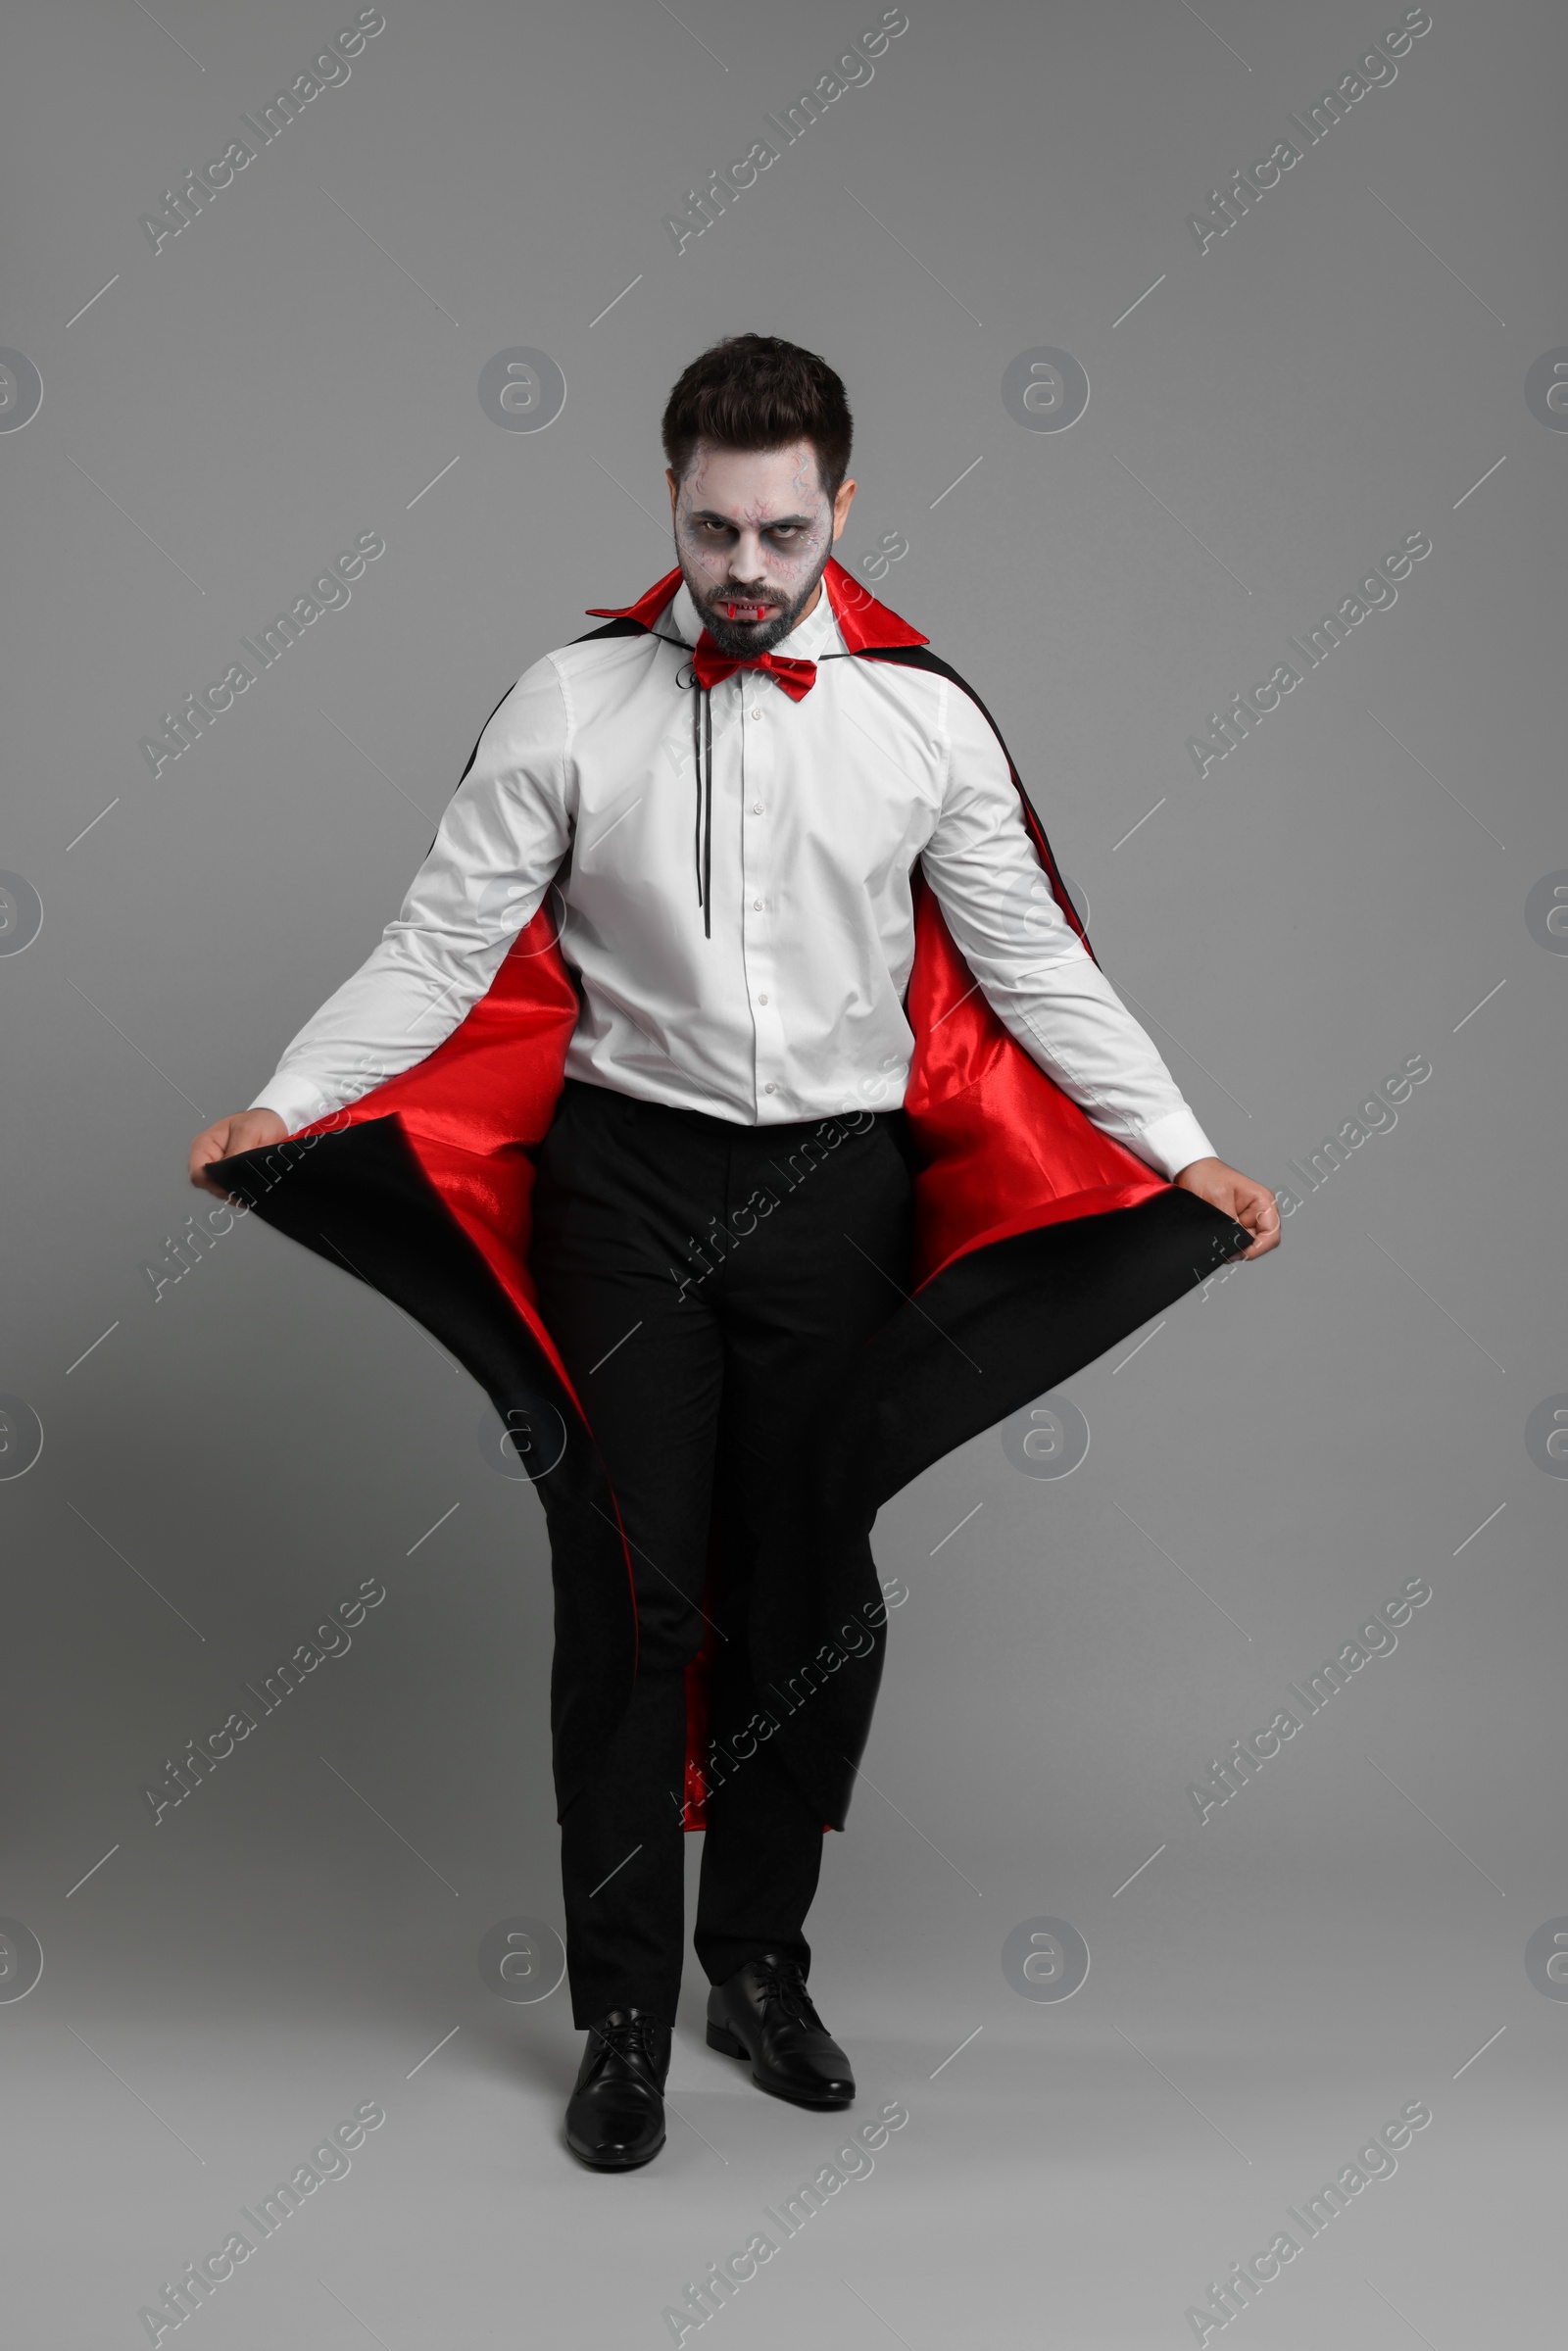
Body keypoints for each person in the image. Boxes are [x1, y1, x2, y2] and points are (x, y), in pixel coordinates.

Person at [189, 333, 1280, 2172]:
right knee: (632, 1595)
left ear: (841, 506)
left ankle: (759, 1963)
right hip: (620, 1185)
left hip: (835, 1192)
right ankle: (621, 2013)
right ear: (670, 507)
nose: (749, 570)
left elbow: (1032, 971)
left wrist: (1185, 1149)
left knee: (801, 1583)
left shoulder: (924, 718)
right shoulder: (567, 700)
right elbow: (440, 945)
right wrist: (288, 1103)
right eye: (715, 530)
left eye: (784, 530)